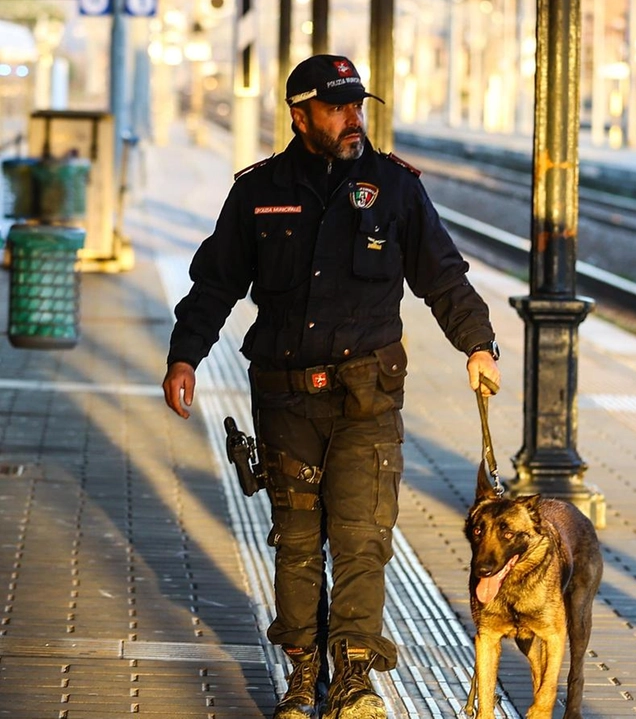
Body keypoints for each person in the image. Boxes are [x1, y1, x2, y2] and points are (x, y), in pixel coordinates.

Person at [162, 54, 502, 719]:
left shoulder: (395, 188)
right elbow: (216, 284)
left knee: (361, 535)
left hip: (368, 394)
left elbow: (443, 276)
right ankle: (302, 675)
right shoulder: (259, 191)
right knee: (295, 539)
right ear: (300, 115)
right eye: (338, 107)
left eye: (358, 106)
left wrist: (478, 343)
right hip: (286, 396)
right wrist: (185, 358)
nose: (354, 119)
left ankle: (353, 678)